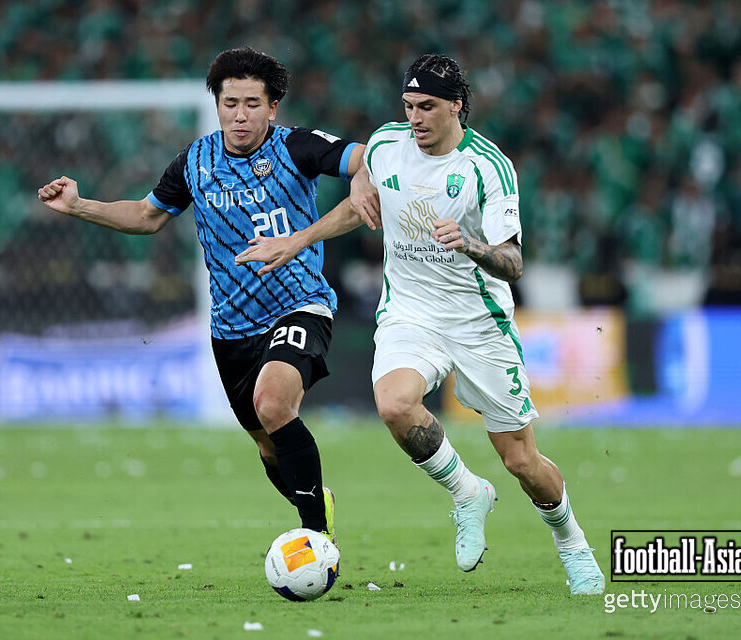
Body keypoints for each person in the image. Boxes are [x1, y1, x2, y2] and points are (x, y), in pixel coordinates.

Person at [237, 53, 605, 594]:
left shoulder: (488, 167)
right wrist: (299, 238)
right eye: (409, 106)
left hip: (479, 320)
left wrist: (469, 243)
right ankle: (465, 492)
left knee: (521, 460)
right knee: (393, 403)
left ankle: (571, 540)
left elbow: (513, 261)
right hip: (410, 312)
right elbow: (361, 201)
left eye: (427, 107)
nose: (416, 118)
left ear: (456, 105)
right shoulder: (387, 146)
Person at [37, 47, 377, 544]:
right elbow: (147, 217)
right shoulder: (194, 162)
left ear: (273, 108)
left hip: (300, 303)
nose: (240, 115)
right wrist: (79, 206)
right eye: (230, 102)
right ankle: (312, 497)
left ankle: (317, 539)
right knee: (267, 445)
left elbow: (364, 156)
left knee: (273, 402)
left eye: (253, 104)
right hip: (232, 328)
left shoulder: (297, 147)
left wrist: (364, 175)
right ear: (217, 104)